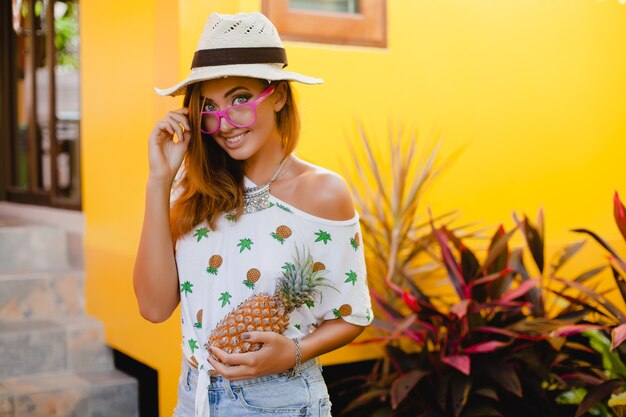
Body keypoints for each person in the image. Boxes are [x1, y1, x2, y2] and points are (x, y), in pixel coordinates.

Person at [133, 11, 372, 417]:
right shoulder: (192, 187)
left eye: (241, 99)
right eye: (209, 106)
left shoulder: (323, 193)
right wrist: (159, 181)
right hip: (193, 395)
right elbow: (154, 309)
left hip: (279, 399)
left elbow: (353, 314)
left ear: (278, 95)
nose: (224, 122)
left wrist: (294, 351)